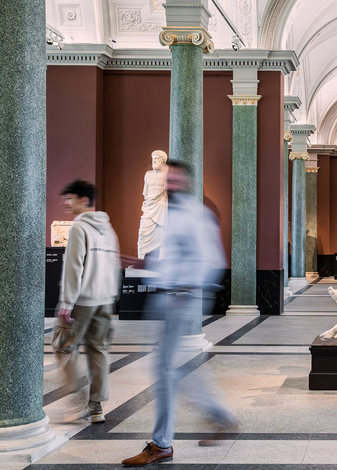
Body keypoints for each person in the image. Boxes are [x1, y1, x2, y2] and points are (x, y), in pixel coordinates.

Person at [123, 161, 238, 466]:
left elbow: (211, 259)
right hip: (166, 296)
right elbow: (174, 258)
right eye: (166, 180)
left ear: (185, 183)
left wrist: (185, 288)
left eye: (174, 180)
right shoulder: (171, 216)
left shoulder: (195, 215)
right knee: (171, 370)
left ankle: (162, 444)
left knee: (163, 370)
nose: (169, 185)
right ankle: (219, 415)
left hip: (180, 298)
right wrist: (143, 263)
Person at [51, 179, 120, 423]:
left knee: (62, 346)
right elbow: (114, 264)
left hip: (83, 300)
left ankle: (79, 398)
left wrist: (66, 303)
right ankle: (95, 406)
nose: (65, 203)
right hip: (105, 298)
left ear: (83, 200)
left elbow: (73, 267)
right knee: (98, 350)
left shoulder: (79, 228)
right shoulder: (108, 228)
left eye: (69, 198)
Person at [137, 150, 168, 259]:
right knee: (143, 233)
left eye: (157, 159)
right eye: (153, 158)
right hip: (149, 208)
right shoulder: (148, 175)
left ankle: (163, 260)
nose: (154, 160)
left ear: (163, 161)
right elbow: (145, 193)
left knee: (163, 233)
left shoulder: (166, 175)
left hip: (161, 207)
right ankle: (140, 260)